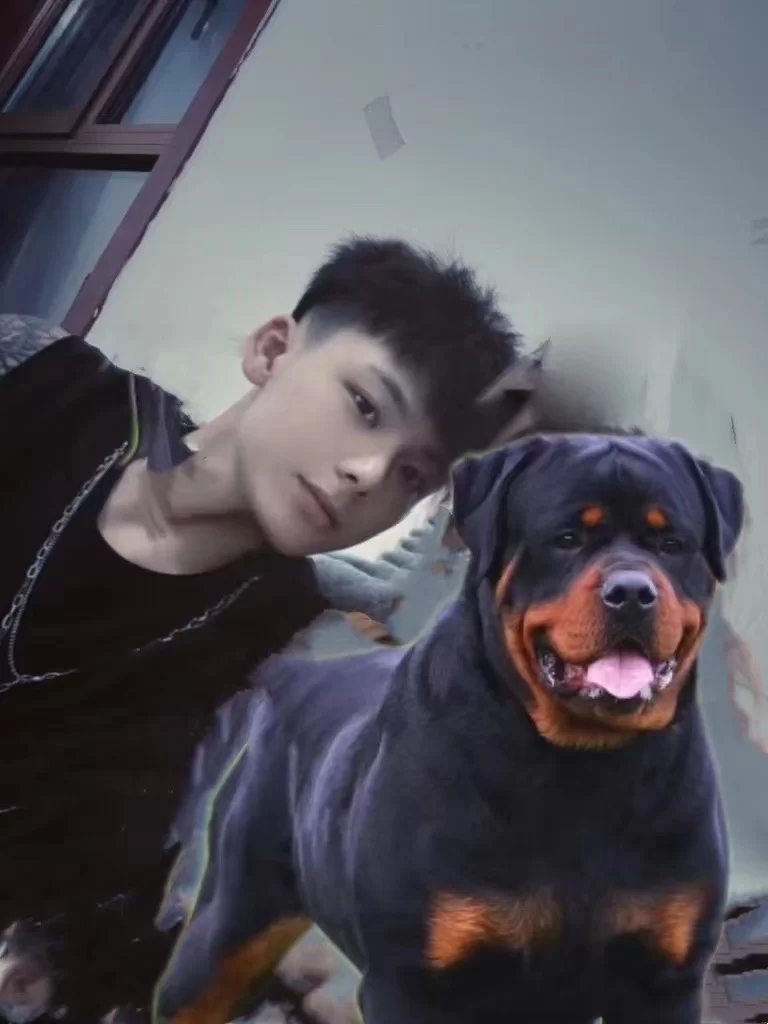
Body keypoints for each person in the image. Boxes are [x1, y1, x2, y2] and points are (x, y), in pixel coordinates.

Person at [0, 237, 540, 1024]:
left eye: (411, 474)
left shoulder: (272, 658)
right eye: (366, 407)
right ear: (273, 350)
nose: (368, 473)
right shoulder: (38, 379)